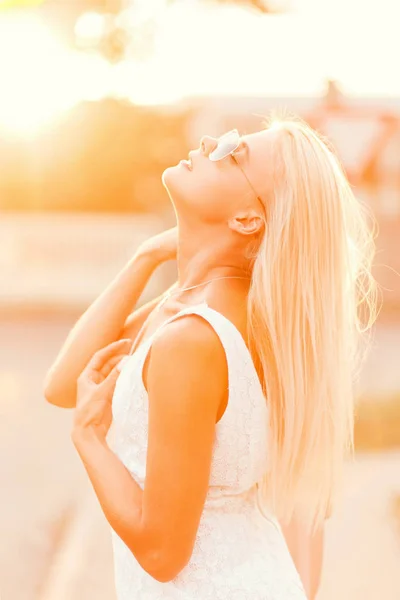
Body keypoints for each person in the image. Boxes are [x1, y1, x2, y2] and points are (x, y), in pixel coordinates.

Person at [44, 115, 378, 599]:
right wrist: (146, 256)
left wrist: (88, 439)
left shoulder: (193, 339)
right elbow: (62, 384)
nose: (209, 142)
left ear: (247, 218)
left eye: (234, 153)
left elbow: (162, 553)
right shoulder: (192, 306)